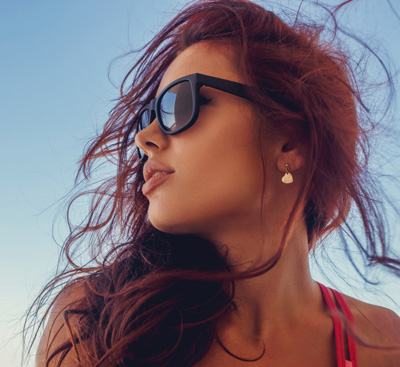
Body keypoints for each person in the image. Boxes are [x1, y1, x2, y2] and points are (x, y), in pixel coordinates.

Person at [28, 0, 400, 366]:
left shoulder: (386, 342)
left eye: (179, 104)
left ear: (290, 141)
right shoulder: (96, 322)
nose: (145, 139)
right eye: (147, 117)